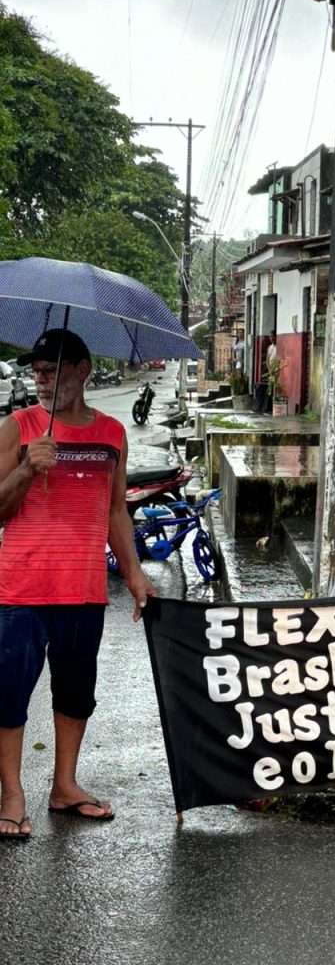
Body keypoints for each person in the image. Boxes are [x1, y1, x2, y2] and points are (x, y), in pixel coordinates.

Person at [0, 329, 156, 838]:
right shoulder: (17, 427)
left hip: (84, 589)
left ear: (82, 370)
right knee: (9, 693)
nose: (42, 381)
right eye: (36, 372)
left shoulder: (112, 433)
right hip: (20, 589)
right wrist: (26, 468)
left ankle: (64, 786)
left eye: (52, 370)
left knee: (75, 692)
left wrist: (134, 573)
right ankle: (12, 795)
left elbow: (115, 511)